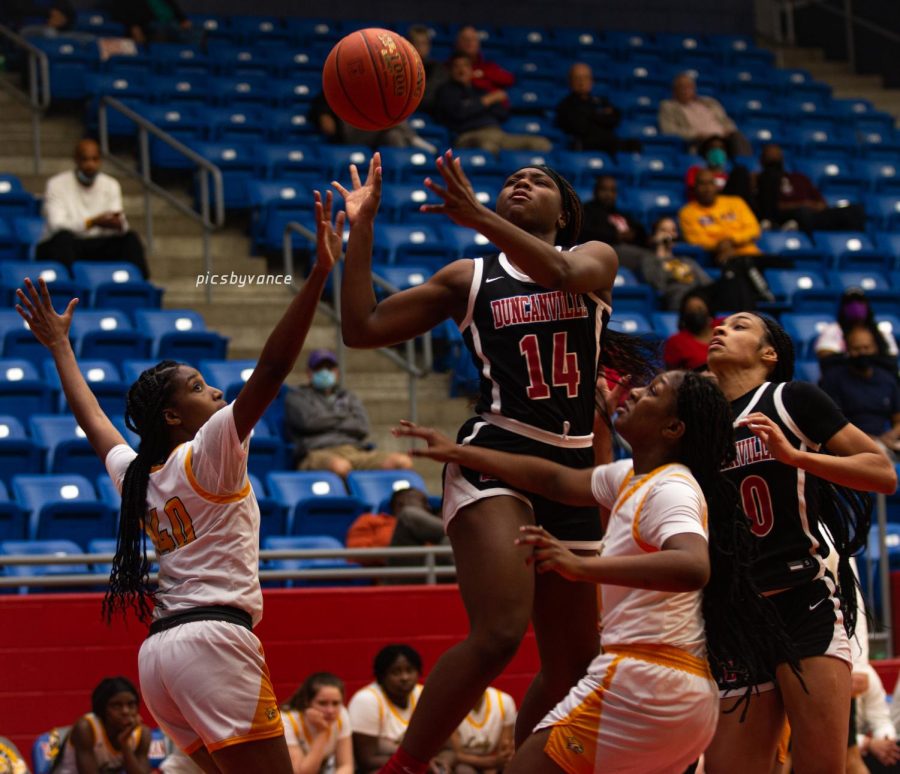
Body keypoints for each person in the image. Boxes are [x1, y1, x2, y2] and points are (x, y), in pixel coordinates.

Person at [333, 147, 657, 774]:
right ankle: (404, 767)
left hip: (572, 472)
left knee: (573, 666)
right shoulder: (469, 276)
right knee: (502, 632)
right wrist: (364, 224)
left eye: (538, 182)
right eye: (512, 179)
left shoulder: (596, 259)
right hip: (494, 452)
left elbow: (563, 276)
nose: (521, 183)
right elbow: (362, 327)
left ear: (564, 214)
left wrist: (479, 213)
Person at [16, 190, 341, 773]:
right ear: (172, 416)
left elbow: (93, 421)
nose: (215, 391)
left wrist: (61, 346)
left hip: (160, 658)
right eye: (196, 387)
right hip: (214, 641)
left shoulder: (140, 475)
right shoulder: (209, 449)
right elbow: (270, 370)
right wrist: (317, 274)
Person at [395, 368, 777, 773]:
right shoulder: (631, 477)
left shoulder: (672, 489)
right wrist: (461, 453)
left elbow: (693, 565)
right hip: (678, 695)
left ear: (673, 427)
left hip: (646, 682)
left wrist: (581, 567)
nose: (637, 391)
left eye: (654, 392)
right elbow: (555, 480)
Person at [702, 312, 896, 774]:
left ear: (769, 354)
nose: (721, 330)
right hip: (738, 612)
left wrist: (796, 457)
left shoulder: (790, 399)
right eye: (722, 326)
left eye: (740, 326)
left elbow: (882, 471)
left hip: (803, 601)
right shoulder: (700, 426)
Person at [283, 348, 413, 476]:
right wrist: (343, 417)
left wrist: (324, 420)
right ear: (309, 373)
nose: (325, 372)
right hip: (317, 452)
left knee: (402, 462)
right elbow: (309, 423)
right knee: (340, 466)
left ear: (337, 372)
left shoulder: (348, 397)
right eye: (319, 368)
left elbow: (362, 427)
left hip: (353, 451)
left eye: (329, 368)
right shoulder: (297, 397)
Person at [36, 139, 149, 278]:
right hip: (69, 243)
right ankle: (72, 292)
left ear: (100, 161)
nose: (90, 165)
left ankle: (141, 287)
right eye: (85, 159)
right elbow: (57, 225)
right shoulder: (56, 184)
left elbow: (119, 220)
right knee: (63, 240)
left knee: (130, 239)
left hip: (97, 243)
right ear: (76, 160)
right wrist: (92, 222)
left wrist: (119, 225)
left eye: (94, 159)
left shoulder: (111, 184)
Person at [347, 645, 454, 774]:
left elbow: (449, 749)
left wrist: (443, 763)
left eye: (410, 670)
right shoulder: (366, 699)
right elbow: (366, 760)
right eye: (396, 672)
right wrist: (419, 765)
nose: (404, 677)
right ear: (382, 676)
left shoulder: (425, 695)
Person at [679, 168, 773, 310]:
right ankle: (763, 293)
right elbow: (696, 240)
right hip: (719, 258)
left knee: (786, 263)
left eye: (710, 183)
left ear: (716, 185)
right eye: (702, 184)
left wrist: (730, 241)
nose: (707, 188)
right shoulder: (687, 212)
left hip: (752, 255)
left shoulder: (735, 202)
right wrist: (721, 245)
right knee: (736, 268)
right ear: (695, 187)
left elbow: (754, 229)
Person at [435, 55, 551, 154]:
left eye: (465, 66)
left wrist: (474, 106)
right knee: (488, 148)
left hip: (497, 133)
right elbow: (459, 113)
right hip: (469, 135)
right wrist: (486, 101)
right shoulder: (446, 91)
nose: (461, 70)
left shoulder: (480, 90)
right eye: (457, 66)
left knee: (541, 144)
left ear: (471, 70)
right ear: (450, 70)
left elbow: (501, 112)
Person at [820, 325, 900, 459]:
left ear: (875, 348)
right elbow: (832, 422)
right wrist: (871, 440)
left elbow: (898, 419)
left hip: (885, 441)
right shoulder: (833, 379)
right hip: (851, 444)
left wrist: (890, 436)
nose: (862, 353)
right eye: (857, 349)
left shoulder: (887, 379)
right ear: (848, 350)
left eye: (867, 348)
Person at [754, 143, 866, 234]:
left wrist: (815, 206)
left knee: (855, 210)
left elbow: (822, 203)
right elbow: (772, 208)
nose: (775, 159)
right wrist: (803, 204)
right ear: (762, 161)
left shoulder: (799, 177)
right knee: (803, 213)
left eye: (777, 156)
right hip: (792, 215)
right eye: (770, 157)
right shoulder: (764, 179)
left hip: (814, 215)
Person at [53, 676, 152, 774]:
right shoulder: (86, 728)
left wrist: (124, 744)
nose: (125, 711)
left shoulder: (142, 733)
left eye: (131, 704)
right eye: (116, 705)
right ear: (102, 708)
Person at [345, 487, 449, 572]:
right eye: (423, 502)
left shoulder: (431, 526)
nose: (428, 507)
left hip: (435, 572)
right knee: (409, 515)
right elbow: (356, 555)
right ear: (401, 503)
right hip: (395, 575)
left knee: (448, 541)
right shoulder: (370, 520)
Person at [554, 63, 641, 156]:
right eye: (577, 78)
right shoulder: (565, 105)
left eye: (586, 77)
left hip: (609, 142)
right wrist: (600, 115)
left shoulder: (600, 101)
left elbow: (615, 118)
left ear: (592, 81)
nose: (581, 82)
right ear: (570, 81)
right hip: (585, 144)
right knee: (609, 142)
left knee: (634, 144)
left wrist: (591, 116)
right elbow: (580, 127)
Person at [658, 73, 751, 157]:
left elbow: (726, 120)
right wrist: (696, 135)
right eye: (682, 87)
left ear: (694, 89)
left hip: (724, 138)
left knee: (737, 136)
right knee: (715, 144)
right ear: (674, 91)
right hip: (699, 142)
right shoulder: (668, 107)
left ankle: (745, 167)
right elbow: (669, 130)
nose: (686, 91)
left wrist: (728, 130)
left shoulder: (710, 102)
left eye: (689, 87)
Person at [307, 93, 436, 153]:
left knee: (394, 135)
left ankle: (400, 171)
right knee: (387, 119)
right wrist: (323, 114)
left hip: (373, 132)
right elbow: (325, 121)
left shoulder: (366, 86)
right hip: (348, 134)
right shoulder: (333, 88)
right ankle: (413, 138)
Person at [281, 673, 353, 774]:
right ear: (307, 702)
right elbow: (302, 772)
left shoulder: (341, 714)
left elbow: (346, 765)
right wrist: (322, 732)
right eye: (322, 703)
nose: (330, 710)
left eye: (336, 703)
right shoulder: (287, 720)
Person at [640, 218, 713, 312]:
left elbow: (708, 284)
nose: (669, 234)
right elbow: (658, 286)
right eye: (663, 230)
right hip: (676, 299)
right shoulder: (649, 260)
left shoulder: (687, 260)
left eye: (673, 230)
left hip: (696, 296)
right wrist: (660, 250)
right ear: (654, 236)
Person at [578, 175, 647, 272]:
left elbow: (639, 231)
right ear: (595, 192)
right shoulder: (587, 211)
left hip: (628, 250)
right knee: (645, 257)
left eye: (613, 191)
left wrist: (633, 234)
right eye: (604, 190)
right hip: (607, 251)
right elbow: (585, 232)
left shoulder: (619, 214)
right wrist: (615, 236)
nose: (609, 194)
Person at [815, 287, 899, 361]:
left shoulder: (880, 332)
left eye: (860, 302)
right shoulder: (833, 330)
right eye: (850, 303)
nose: (855, 306)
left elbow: (892, 356)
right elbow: (824, 354)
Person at [452, 687, 516, 774]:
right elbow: (458, 755)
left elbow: (504, 752)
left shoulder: (504, 701)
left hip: (492, 759)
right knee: (463, 770)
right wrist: (492, 762)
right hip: (466, 763)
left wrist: (495, 763)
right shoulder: (451, 705)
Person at [684, 136, 752, 205]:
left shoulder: (731, 178)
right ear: (705, 152)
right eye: (712, 148)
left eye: (721, 148)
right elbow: (696, 192)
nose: (717, 151)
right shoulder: (696, 171)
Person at [452, 26, 514, 95]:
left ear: (478, 44)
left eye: (473, 39)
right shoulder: (449, 66)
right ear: (457, 43)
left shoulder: (488, 66)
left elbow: (509, 79)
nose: (469, 42)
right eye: (465, 39)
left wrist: (483, 73)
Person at [663, 289, 716, 371]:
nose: (696, 314)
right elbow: (671, 376)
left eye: (700, 309)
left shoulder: (721, 329)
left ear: (709, 311)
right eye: (691, 310)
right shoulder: (676, 341)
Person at [408, 25, 450, 116]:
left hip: (429, 113)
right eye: (416, 43)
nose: (419, 47)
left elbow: (428, 99)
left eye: (423, 43)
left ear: (429, 46)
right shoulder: (401, 67)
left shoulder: (438, 69)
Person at [111, 0, 195, 46]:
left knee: (197, 31)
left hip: (171, 23)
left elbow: (174, 7)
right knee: (161, 30)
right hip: (150, 24)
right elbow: (126, 13)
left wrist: (183, 19)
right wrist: (134, 27)